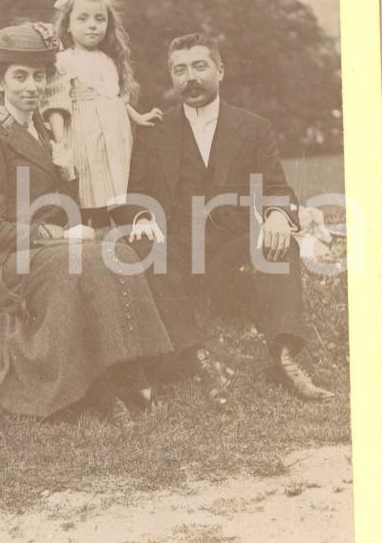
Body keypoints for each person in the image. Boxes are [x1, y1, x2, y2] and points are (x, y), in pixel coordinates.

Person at [0, 21, 177, 426]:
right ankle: (108, 384)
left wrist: (68, 173)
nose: (32, 87)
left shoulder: (43, 129)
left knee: (118, 250)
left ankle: (130, 366)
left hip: (51, 247)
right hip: (4, 257)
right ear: (0, 83)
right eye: (20, 77)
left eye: (39, 76)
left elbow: (61, 204)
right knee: (82, 260)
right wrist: (61, 235)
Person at [117, 32, 335, 402]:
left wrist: (279, 215)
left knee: (277, 245)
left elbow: (276, 186)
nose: (190, 78)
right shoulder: (154, 133)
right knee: (139, 248)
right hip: (179, 253)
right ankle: (199, 360)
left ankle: (284, 359)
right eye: (179, 70)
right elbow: (136, 192)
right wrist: (140, 218)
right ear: (171, 78)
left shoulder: (253, 127)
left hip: (232, 252)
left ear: (221, 70)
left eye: (200, 66)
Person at [40, 0, 162, 228]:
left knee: (117, 182)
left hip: (115, 135)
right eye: (83, 19)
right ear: (68, 25)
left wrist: (137, 117)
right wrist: (61, 142)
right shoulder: (64, 61)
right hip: (84, 135)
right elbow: (56, 104)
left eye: (99, 19)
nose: (92, 25)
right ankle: (89, 226)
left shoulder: (109, 60)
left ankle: (117, 225)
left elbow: (115, 97)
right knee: (91, 184)